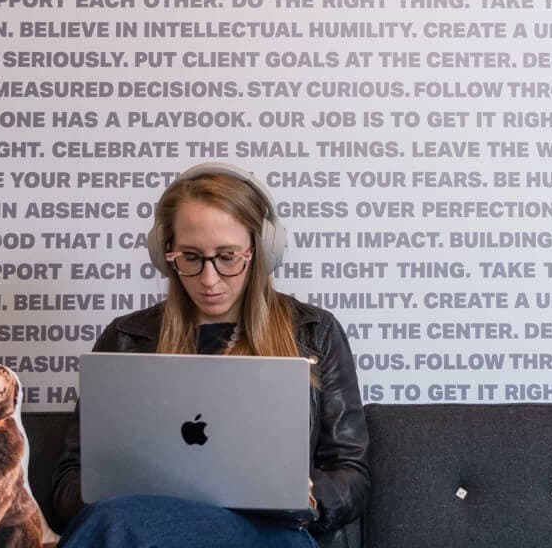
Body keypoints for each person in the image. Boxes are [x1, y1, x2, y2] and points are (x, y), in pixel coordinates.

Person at [51, 163, 369, 548]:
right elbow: (69, 481)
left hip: (274, 535)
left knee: (113, 526)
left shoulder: (315, 332)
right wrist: (119, 487)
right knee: (115, 520)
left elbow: (351, 473)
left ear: (261, 250)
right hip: (150, 527)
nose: (209, 279)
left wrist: (311, 495)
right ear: (165, 253)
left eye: (228, 257)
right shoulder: (125, 338)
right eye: (190, 257)